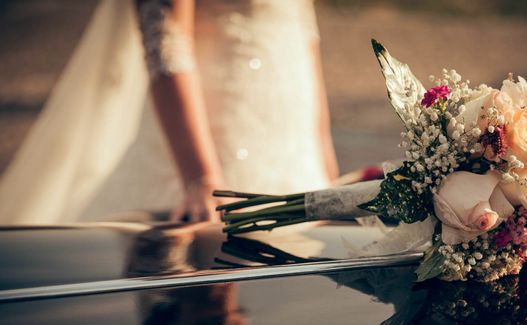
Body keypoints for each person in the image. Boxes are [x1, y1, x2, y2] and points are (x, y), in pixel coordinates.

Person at [0, 0, 338, 224]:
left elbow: (304, 40)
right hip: (213, 150)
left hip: (294, 151)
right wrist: (201, 179)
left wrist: (323, 153)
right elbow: (167, 45)